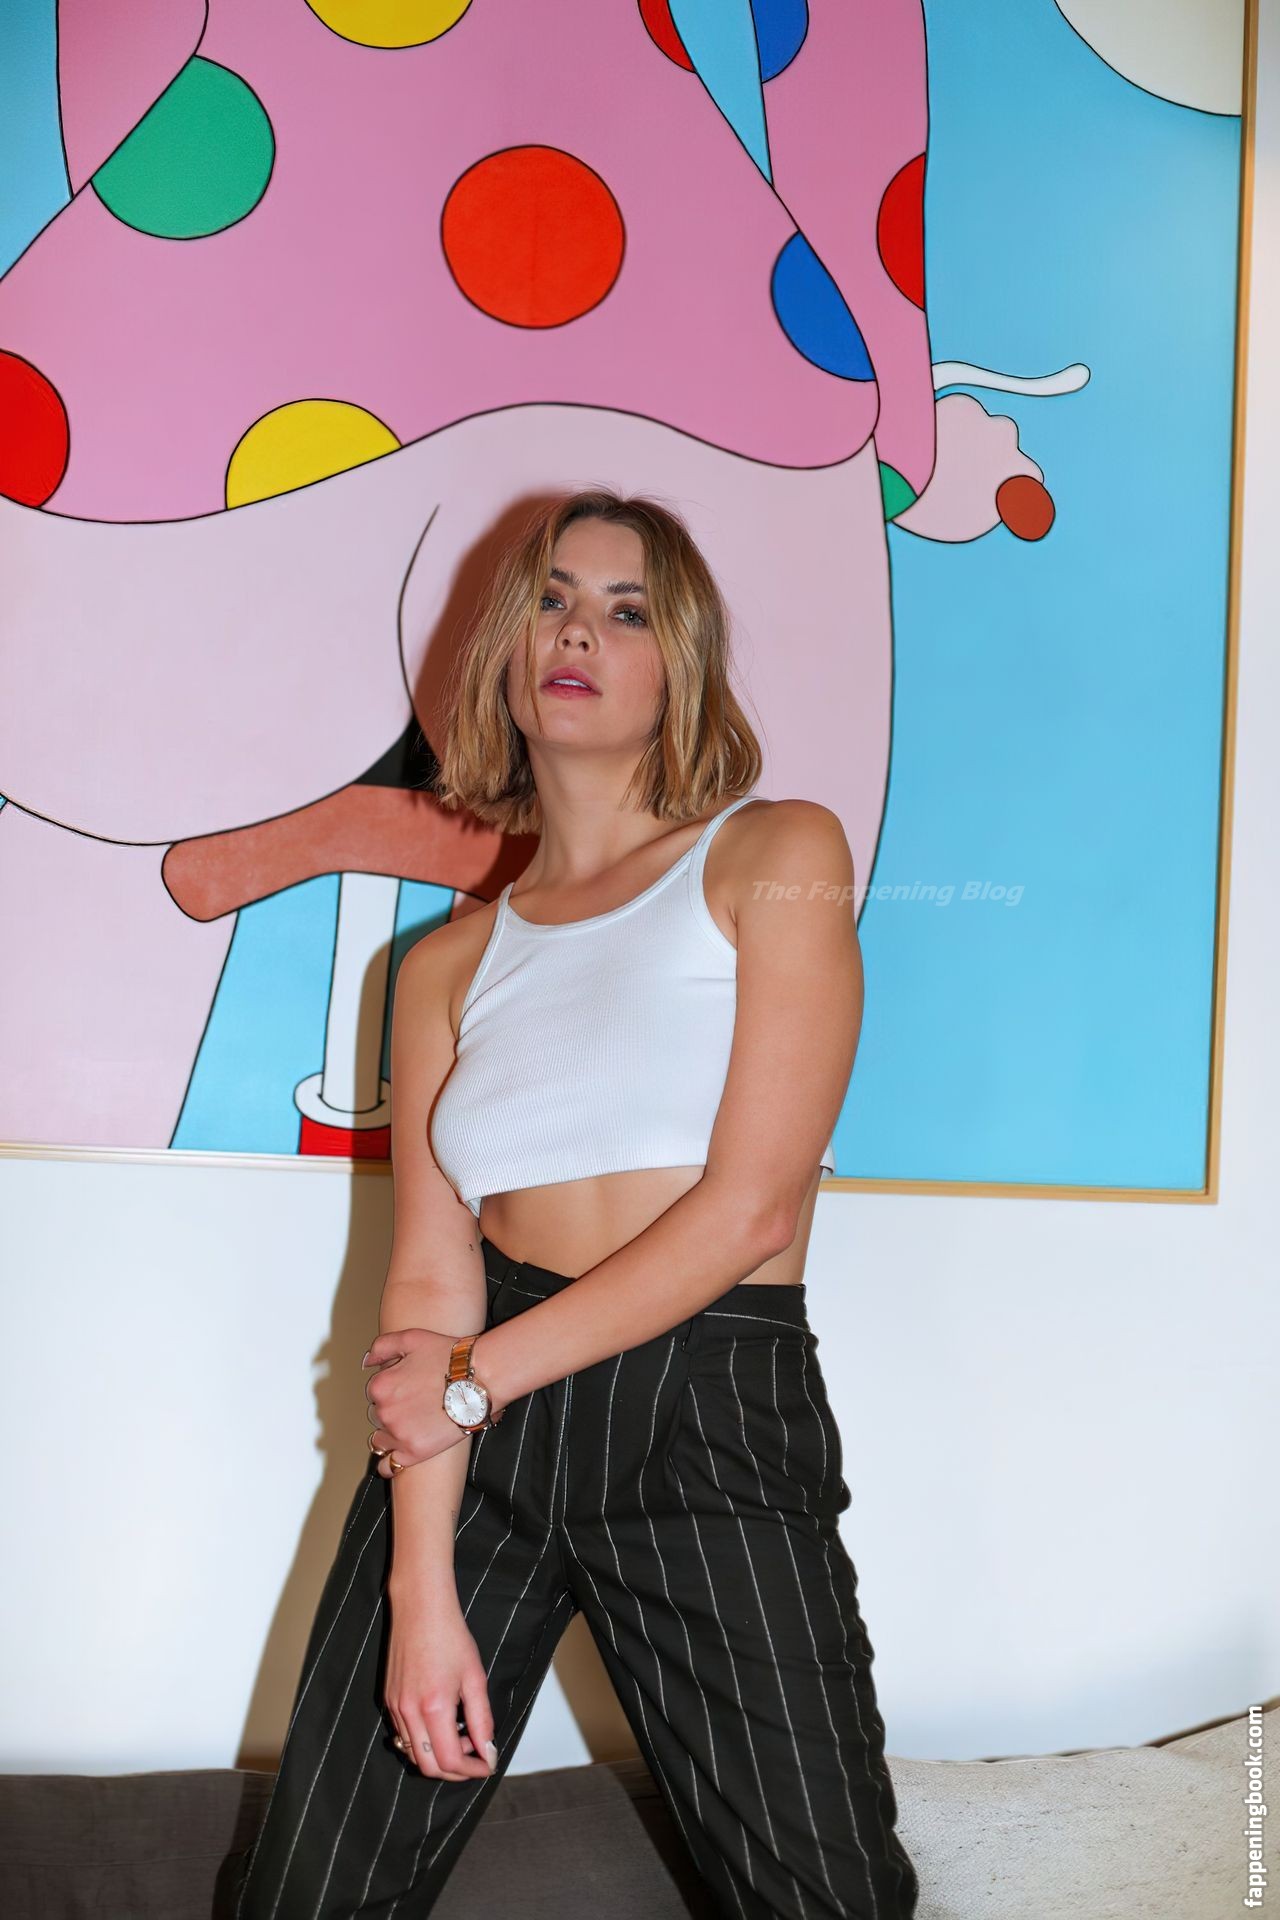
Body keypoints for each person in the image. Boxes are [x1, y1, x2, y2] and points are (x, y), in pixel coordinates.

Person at [232, 489, 920, 1918]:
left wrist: (475, 1384)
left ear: (681, 663)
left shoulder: (778, 856)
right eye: (550, 600)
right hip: (477, 1419)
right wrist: (421, 1592)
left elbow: (752, 1211)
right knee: (313, 1893)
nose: (578, 633)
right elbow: (431, 1284)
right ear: (504, 651)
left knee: (825, 1894)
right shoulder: (439, 968)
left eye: (626, 610)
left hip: (703, 1401)